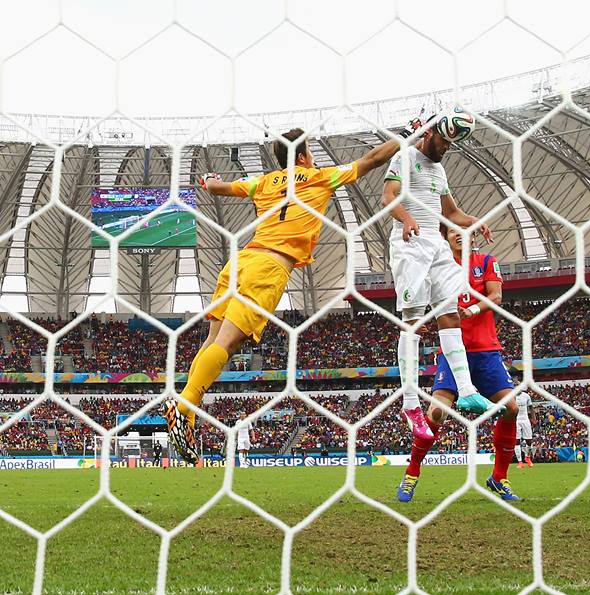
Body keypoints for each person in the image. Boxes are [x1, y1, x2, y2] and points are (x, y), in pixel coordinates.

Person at [164, 127, 404, 464]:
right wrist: (407, 137)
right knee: (229, 343)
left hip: (240, 260)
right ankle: (185, 403)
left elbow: (222, 188)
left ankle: (185, 413)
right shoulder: (319, 176)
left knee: (212, 339)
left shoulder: (263, 182)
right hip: (268, 268)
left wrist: (208, 182)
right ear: (304, 156)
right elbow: (372, 159)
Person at [381, 113, 495, 442]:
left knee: (449, 312)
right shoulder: (405, 157)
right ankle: (411, 404)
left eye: (451, 143)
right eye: (444, 140)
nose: (446, 147)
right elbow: (389, 197)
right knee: (413, 321)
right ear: (428, 133)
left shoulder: (439, 169)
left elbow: (452, 213)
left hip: (436, 242)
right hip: (410, 245)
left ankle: (467, 389)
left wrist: (475, 221)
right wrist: (404, 219)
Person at [397, 223, 522, 502]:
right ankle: (411, 473)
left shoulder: (486, 262)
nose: (459, 234)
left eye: (464, 231)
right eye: (453, 231)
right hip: (453, 354)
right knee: (437, 413)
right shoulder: (437, 266)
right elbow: (419, 300)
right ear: (444, 237)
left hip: (487, 352)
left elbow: (496, 296)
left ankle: (499, 478)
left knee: (511, 408)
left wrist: (473, 309)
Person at [515, 385, 535, 469]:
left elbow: (531, 407)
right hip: (516, 420)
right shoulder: (511, 396)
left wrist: (533, 418)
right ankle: (520, 462)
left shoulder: (526, 396)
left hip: (525, 420)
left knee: (529, 441)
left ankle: (527, 457)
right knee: (517, 441)